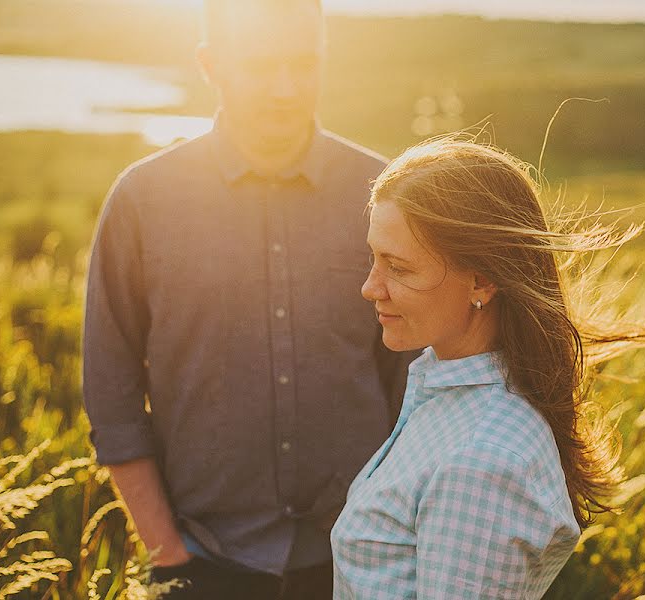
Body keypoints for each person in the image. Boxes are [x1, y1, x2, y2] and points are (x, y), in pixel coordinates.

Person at [82, 1, 414, 598]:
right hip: (203, 562)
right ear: (211, 65)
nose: (285, 88)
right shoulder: (142, 201)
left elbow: (413, 376)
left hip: (364, 559)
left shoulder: (383, 194)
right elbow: (112, 396)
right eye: (261, 66)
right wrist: (169, 558)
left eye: (303, 64)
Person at [330, 138, 645, 598]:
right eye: (374, 258)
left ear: (482, 279)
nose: (371, 288)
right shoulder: (445, 395)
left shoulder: (482, 461)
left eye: (399, 268)